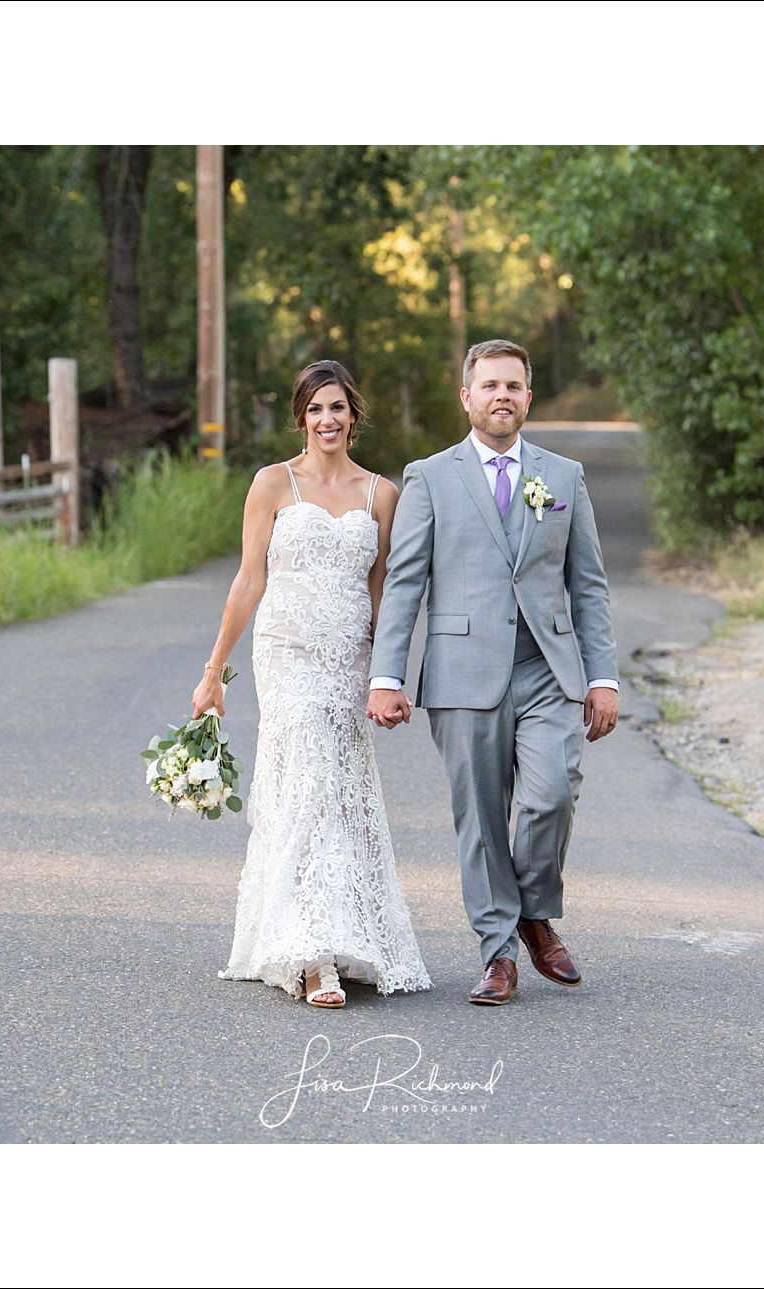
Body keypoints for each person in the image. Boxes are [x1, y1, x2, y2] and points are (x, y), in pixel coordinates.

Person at [367, 338, 619, 1006]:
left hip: (546, 669)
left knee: (552, 793)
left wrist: (604, 677)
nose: (502, 396)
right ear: (467, 396)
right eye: (490, 385)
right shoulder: (429, 476)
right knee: (480, 818)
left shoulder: (563, 477)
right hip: (460, 671)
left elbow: (588, 586)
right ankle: (499, 952)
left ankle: (534, 908)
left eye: (514, 386)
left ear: (528, 398)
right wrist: (386, 674)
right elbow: (404, 582)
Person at [199, 360, 432, 1008]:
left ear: (354, 414)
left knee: (337, 790)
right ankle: (312, 955)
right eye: (315, 408)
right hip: (288, 656)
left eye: (338, 407)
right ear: (300, 417)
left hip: (348, 662)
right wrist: (213, 671)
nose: (327, 419)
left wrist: (388, 676)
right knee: (306, 783)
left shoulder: (380, 493)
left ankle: (346, 931)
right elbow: (249, 580)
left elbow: (386, 592)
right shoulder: (273, 484)